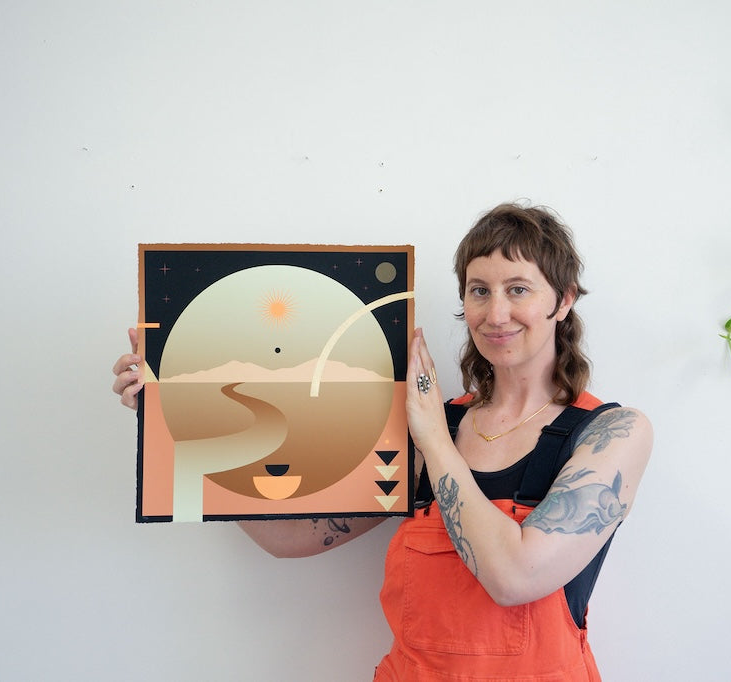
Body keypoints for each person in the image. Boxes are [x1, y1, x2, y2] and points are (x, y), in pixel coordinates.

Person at [112, 202, 652, 681]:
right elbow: (291, 539)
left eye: (518, 289)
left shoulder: (610, 433)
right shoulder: (431, 425)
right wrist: (178, 425)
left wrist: (433, 438)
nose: (496, 313)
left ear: (563, 300)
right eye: (479, 290)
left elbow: (515, 577)